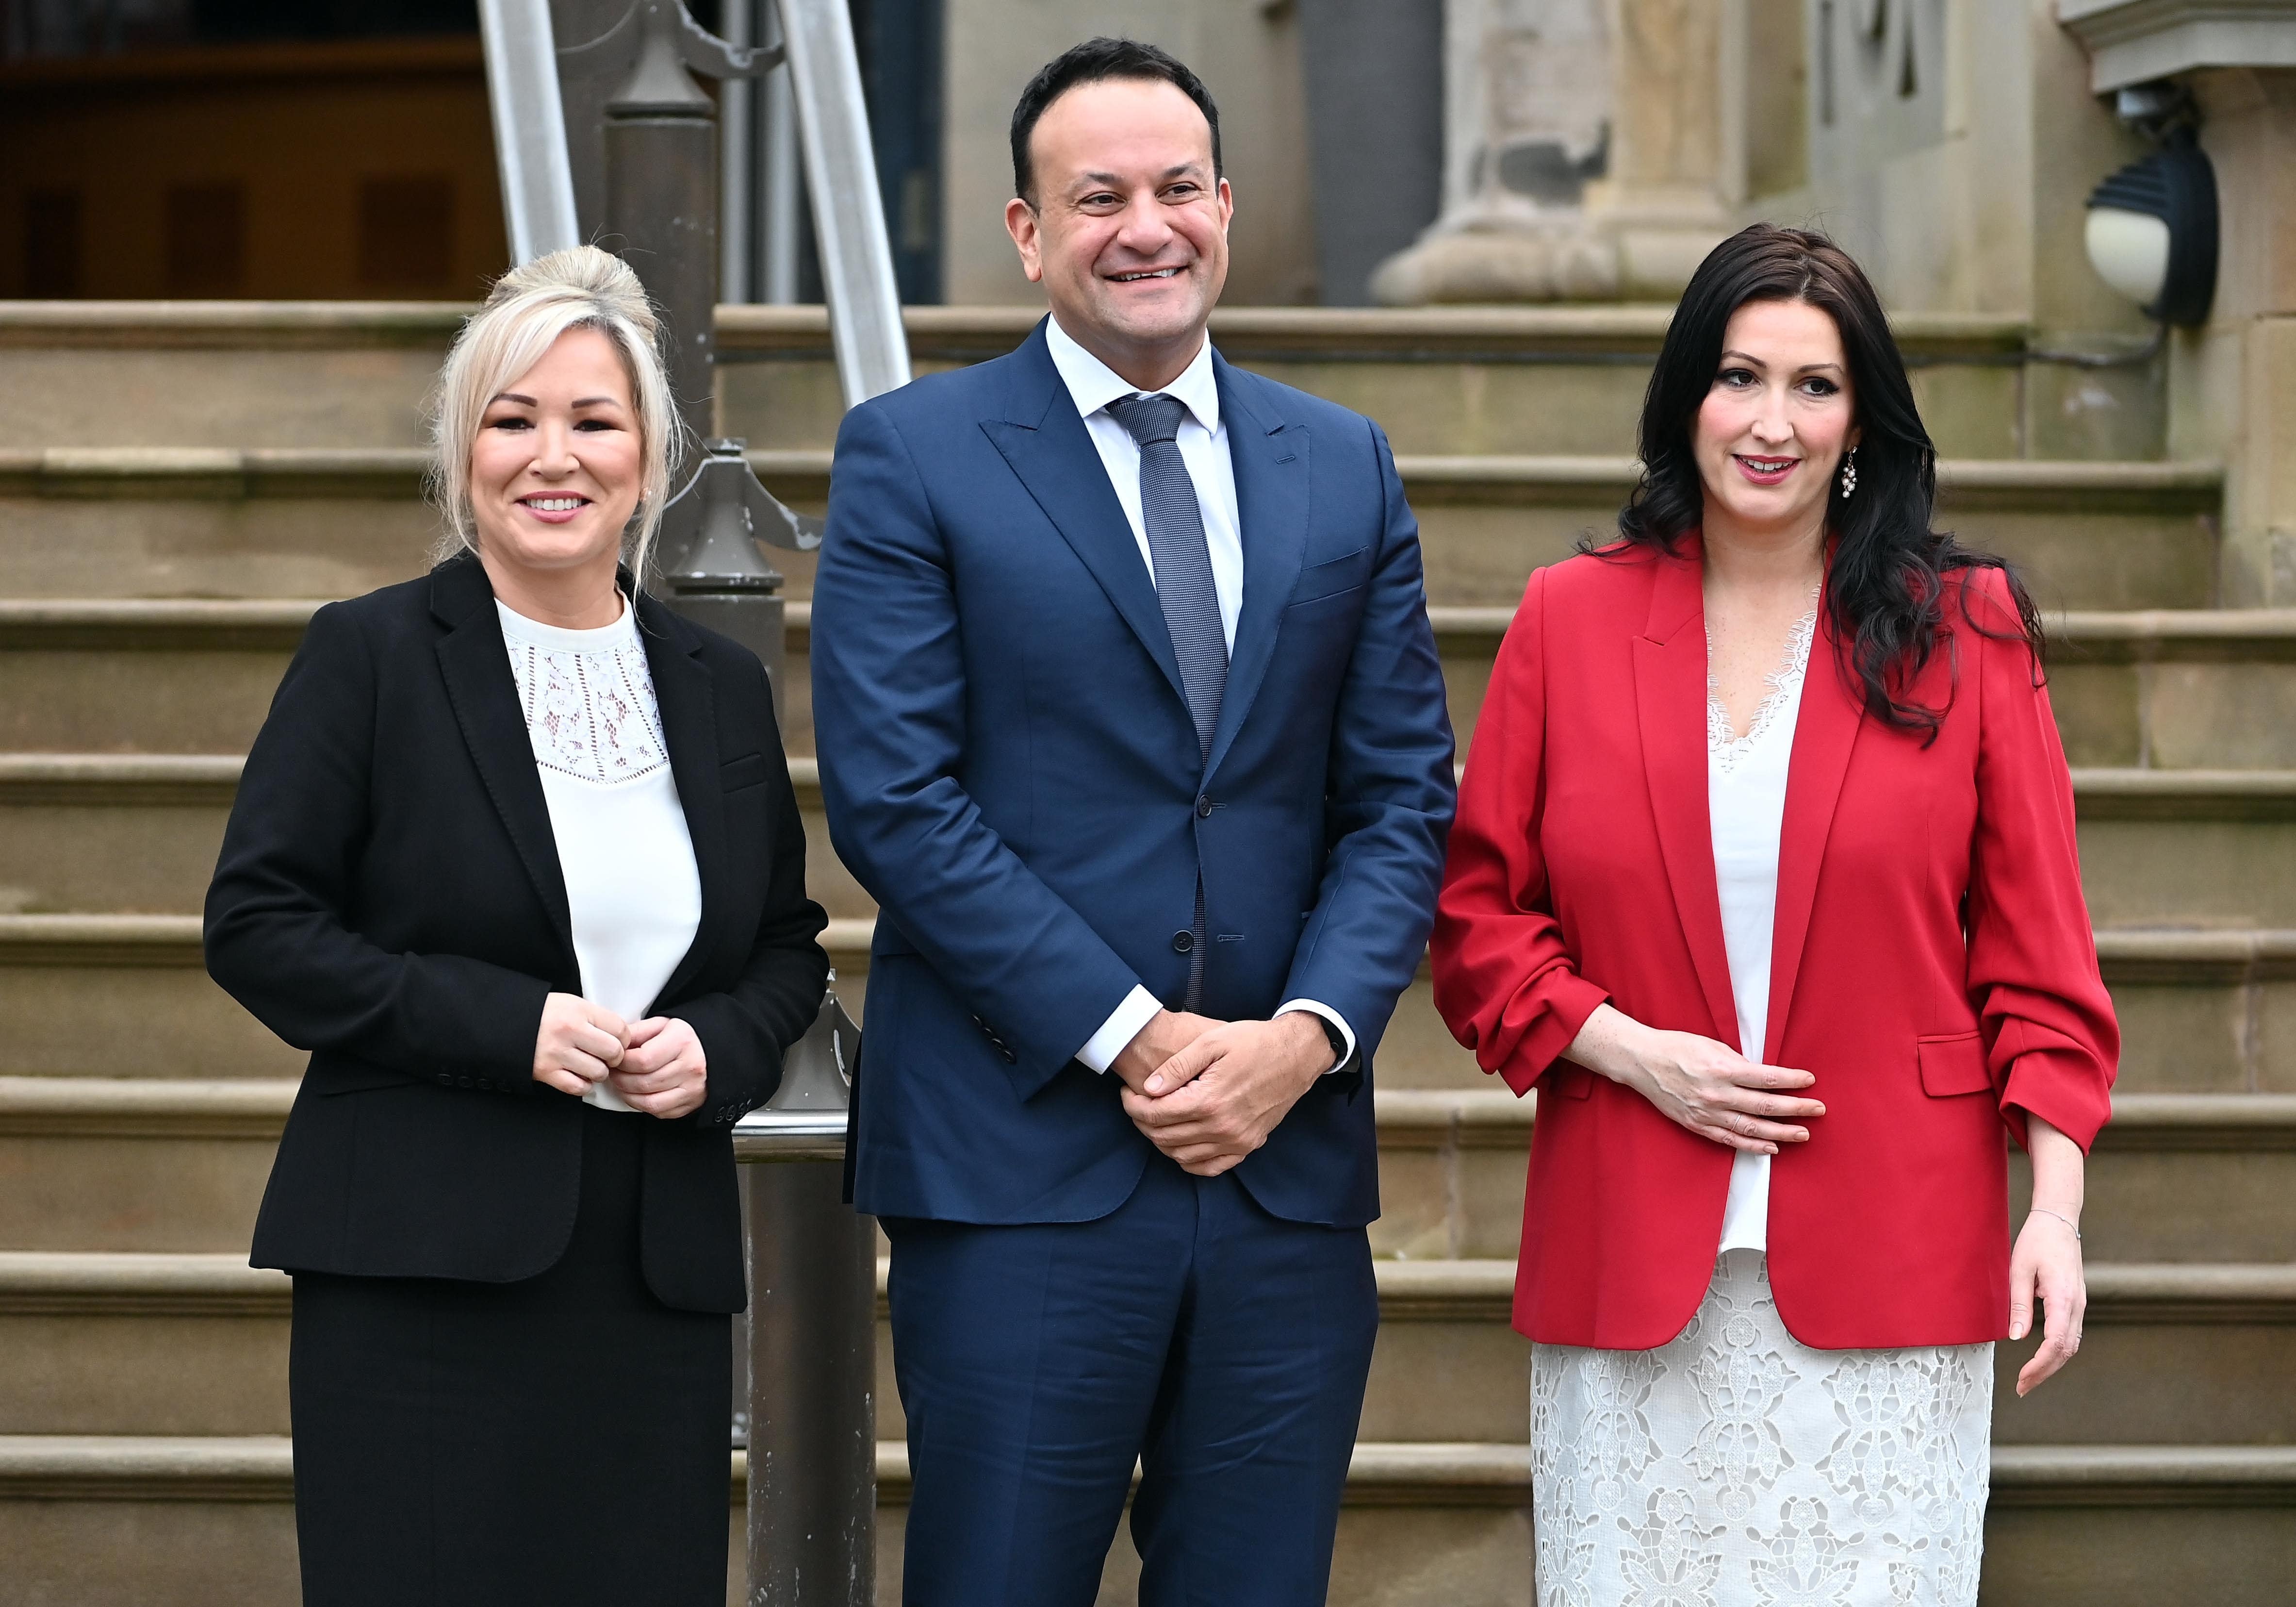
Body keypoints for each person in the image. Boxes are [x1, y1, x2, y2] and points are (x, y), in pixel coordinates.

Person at [811, 36, 1457, 1607]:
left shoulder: (1345, 466)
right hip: (1023, 1158)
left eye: (1176, 188)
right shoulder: (915, 455)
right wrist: (1137, 1037)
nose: (1144, 227)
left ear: (1226, 206)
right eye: (1095, 197)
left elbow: (1400, 797)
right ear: (1027, 234)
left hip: (1281, 1172)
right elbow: (896, 799)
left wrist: (1302, 1038)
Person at [1429, 224, 2118, 1606]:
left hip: (1895, 1250)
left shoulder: (1966, 631)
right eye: (1741, 377)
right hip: (1629, 1247)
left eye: (1816, 387)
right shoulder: (1569, 621)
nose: (1772, 422)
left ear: (1862, 421)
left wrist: (2054, 1210)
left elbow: (2040, 963)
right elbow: (1478, 923)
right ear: (1690, 396)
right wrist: (1627, 1047)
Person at [202, 246, 830, 1607]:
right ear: (463, 453)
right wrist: (507, 1023)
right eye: (513, 418)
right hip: (420, 1267)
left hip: (648, 1278)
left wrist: (717, 1052)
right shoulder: (367, 655)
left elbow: (788, 943)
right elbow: (258, 922)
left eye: (595, 422)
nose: (556, 456)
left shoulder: (716, 686)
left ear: (651, 462)